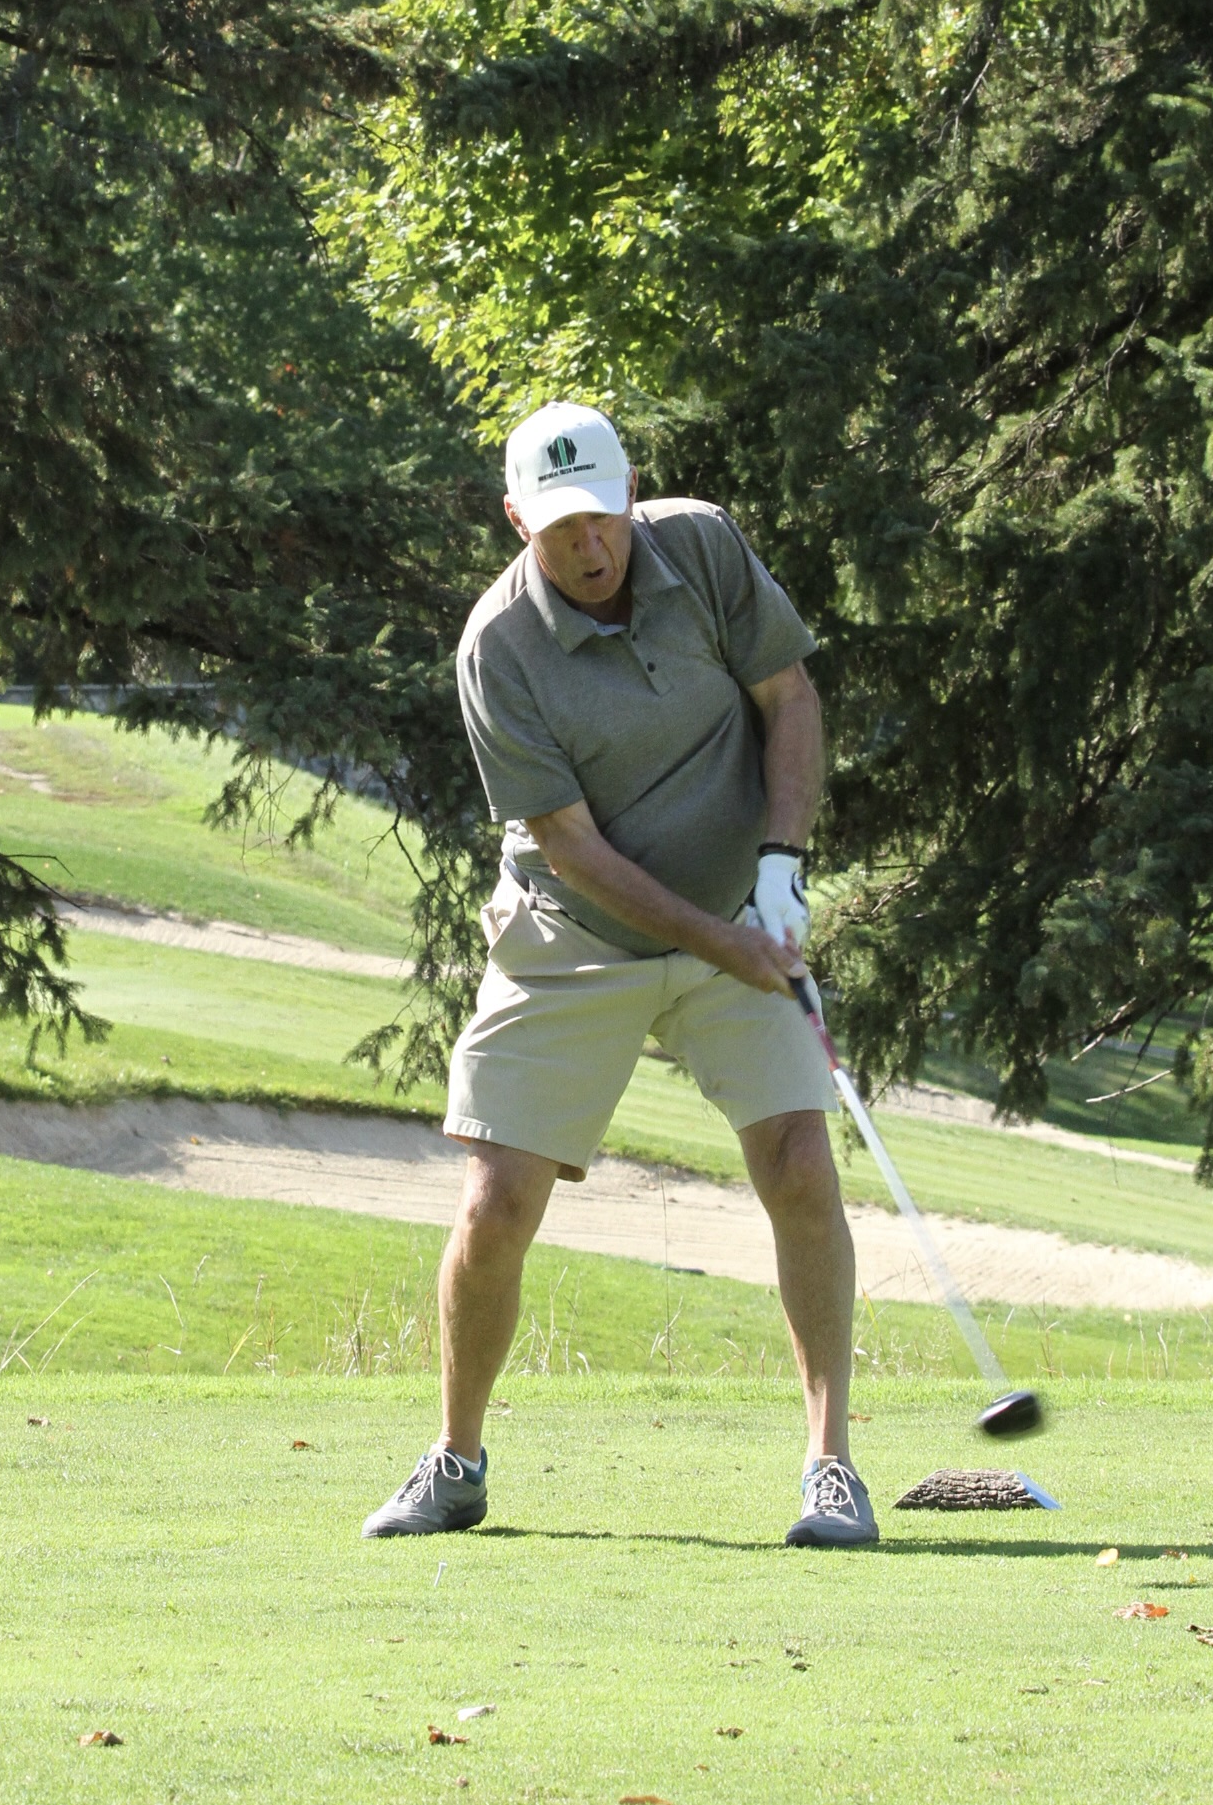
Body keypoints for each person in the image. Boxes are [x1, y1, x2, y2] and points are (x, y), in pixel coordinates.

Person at [362, 400, 877, 1548]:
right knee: (497, 1199)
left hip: (742, 906)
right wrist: (724, 940)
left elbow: (789, 697)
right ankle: (456, 1460)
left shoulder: (702, 544)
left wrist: (781, 864)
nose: (588, 545)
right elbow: (572, 848)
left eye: (600, 516)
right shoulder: (497, 647)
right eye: (559, 528)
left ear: (631, 491)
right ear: (517, 520)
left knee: (800, 1164)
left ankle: (831, 1467)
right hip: (573, 932)